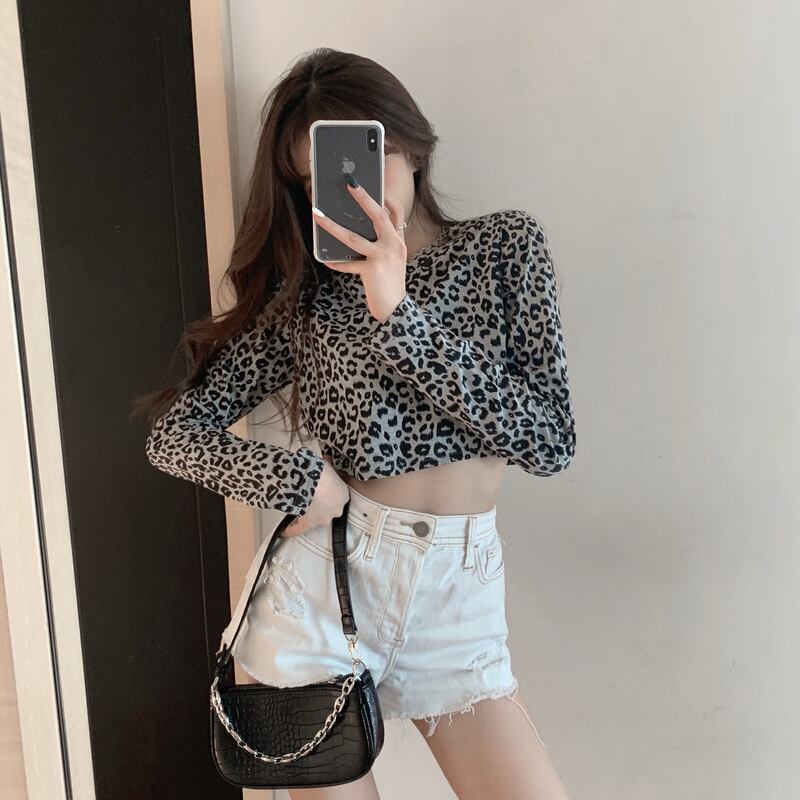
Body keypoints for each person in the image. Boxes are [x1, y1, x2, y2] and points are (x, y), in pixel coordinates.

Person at [134, 47, 575, 800]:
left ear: (411, 146)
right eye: (315, 183)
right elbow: (173, 434)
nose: (347, 192)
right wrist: (296, 478)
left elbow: (548, 440)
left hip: (457, 604)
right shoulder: (308, 298)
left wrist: (397, 313)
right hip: (323, 594)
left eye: (360, 160)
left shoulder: (502, 248)